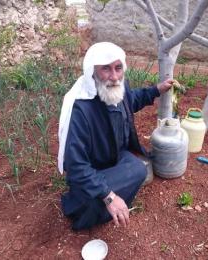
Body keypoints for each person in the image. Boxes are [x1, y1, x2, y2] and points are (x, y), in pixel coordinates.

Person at [58, 42, 176, 230]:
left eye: (118, 68)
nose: (114, 77)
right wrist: (109, 196)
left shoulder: (118, 86)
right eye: (106, 69)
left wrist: (156, 89)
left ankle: (108, 200)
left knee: (138, 170)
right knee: (94, 200)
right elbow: (76, 165)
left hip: (115, 158)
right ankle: (91, 207)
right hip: (92, 170)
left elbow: (132, 99)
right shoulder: (81, 108)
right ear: (93, 72)